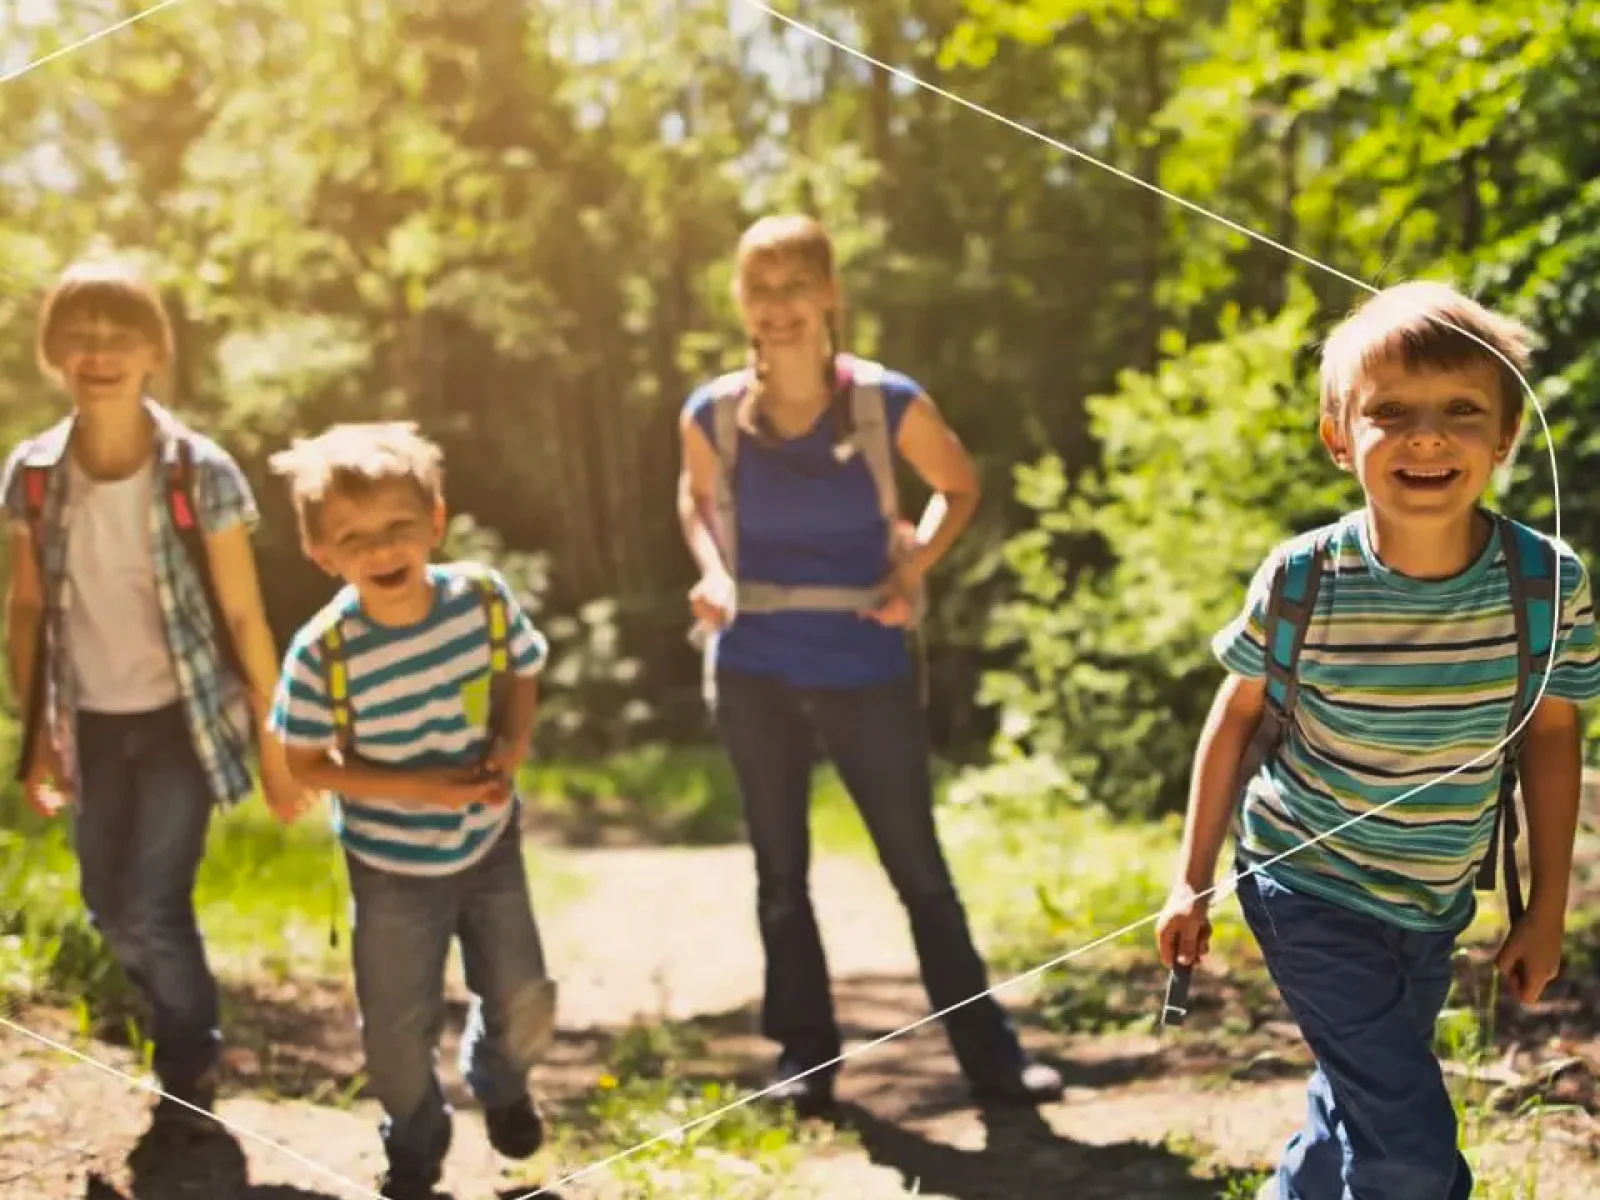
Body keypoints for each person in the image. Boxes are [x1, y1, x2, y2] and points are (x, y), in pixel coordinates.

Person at [1156, 280, 1600, 1200]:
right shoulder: (1303, 577)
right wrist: (1190, 878)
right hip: (1303, 882)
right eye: (1391, 411)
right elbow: (1236, 716)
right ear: (1338, 435)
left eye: (1461, 410)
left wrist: (1546, 905)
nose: (1427, 435)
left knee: (1349, 1109)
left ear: (1508, 436)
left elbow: (1553, 740)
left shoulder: (1545, 585)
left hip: (1433, 899)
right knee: (1408, 1146)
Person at [676, 213, 1062, 1114]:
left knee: (917, 867)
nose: (776, 308)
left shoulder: (885, 403)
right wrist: (713, 573)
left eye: (793, 286)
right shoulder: (712, 414)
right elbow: (697, 502)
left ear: (829, 293)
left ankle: (995, 1065)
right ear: (740, 301)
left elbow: (958, 488)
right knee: (780, 875)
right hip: (755, 664)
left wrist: (910, 570)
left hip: (864, 659)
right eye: (759, 289)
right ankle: (804, 1066)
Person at [1, 257, 310, 1137]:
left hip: (182, 717)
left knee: (156, 899)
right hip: (87, 720)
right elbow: (24, 609)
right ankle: (181, 1024)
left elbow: (246, 614)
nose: (99, 354)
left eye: (119, 337)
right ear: (54, 352)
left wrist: (276, 742)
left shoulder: (198, 470)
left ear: (154, 352)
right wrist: (37, 739)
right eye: (80, 337)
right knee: (107, 903)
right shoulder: (30, 473)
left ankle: (187, 1059)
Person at [266, 422, 558, 1200]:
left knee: (527, 998)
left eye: (399, 526)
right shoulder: (324, 652)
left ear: (435, 521)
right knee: (396, 1037)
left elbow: (522, 669)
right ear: (322, 554)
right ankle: (417, 1138)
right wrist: (424, 790)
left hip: (488, 841)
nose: (380, 549)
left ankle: (500, 1083)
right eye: (353, 538)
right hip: (390, 865)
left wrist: (513, 742)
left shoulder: (481, 601)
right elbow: (303, 762)